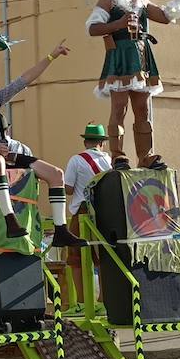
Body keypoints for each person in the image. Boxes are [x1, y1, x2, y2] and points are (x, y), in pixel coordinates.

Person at [0, 44, 84, 244]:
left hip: (4, 153)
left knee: (56, 174)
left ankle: (61, 230)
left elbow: (24, 80)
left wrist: (51, 56)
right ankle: (10, 220)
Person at [86, 0, 180, 169]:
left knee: (142, 108)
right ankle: (118, 155)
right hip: (120, 56)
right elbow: (93, 28)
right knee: (119, 108)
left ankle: (145, 156)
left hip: (141, 56)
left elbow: (165, 16)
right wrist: (118, 25)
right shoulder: (108, 0)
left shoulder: (141, 1)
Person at [62, 122, 113, 310]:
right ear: (102, 143)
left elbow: (68, 189)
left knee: (76, 257)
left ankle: (82, 303)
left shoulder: (76, 160)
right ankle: (103, 302)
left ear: (86, 142)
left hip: (82, 211)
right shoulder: (110, 162)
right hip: (105, 213)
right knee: (105, 258)